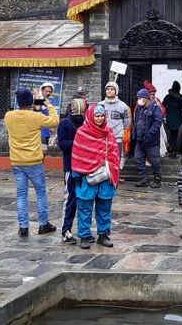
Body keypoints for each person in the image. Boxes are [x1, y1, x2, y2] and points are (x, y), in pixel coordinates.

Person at [5, 88, 59, 237]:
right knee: (40, 193)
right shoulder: (36, 117)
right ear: (31, 102)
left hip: (17, 161)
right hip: (34, 161)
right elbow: (55, 120)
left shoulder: (8, 116)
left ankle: (23, 227)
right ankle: (43, 224)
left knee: (21, 195)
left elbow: (22, 115)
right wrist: (48, 104)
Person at [71, 104, 120, 249]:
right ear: (91, 117)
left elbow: (114, 154)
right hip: (86, 177)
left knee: (104, 207)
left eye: (102, 116)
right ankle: (85, 236)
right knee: (84, 208)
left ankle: (103, 235)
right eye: (97, 116)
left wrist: (114, 172)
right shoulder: (82, 132)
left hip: (105, 177)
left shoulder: (108, 132)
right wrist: (76, 175)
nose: (100, 119)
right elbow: (78, 154)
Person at [57, 98, 87, 243]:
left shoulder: (86, 122)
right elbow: (62, 144)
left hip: (86, 166)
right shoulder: (64, 123)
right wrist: (79, 142)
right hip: (71, 166)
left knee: (85, 200)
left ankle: (84, 231)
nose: (79, 116)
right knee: (70, 199)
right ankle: (66, 229)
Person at [132, 88, 163, 188]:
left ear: (146, 98)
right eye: (138, 98)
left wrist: (150, 134)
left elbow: (158, 122)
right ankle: (144, 178)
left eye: (140, 98)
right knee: (138, 158)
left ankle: (157, 180)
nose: (138, 100)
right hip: (140, 140)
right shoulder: (139, 108)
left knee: (154, 161)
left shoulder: (155, 107)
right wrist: (134, 134)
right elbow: (137, 121)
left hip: (151, 141)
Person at [102, 81, 130, 168]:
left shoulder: (123, 106)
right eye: (107, 89)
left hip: (117, 137)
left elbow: (127, 121)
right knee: (104, 158)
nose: (109, 91)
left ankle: (116, 173)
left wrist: (121, 131)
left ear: (116, 91)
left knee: (117, 157)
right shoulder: (101, 105)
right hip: (104, 136)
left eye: (112, 89)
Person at [162, 81, 182, 155]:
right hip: (178, 118)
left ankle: (171, 147)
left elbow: (163, 106)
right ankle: (176, 148)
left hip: (170, 118)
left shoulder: (167, 97)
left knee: (171, 134)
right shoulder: (181, 98)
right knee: (177, 134)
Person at [38, 82, 58, 151]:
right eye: (46, 91)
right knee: (41, 152)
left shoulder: (48, 102)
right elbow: (37, 107)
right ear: (42, 90)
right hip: (39, 132)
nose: (48, 93)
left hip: (46, 132)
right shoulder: (38, 100)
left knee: (44, 151)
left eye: (50, 92)